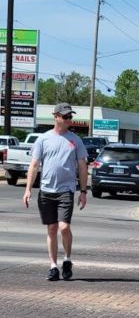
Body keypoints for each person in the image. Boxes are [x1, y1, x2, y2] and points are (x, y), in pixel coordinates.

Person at [22, 102, 89, 281]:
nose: (69, 120)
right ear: (56, 116)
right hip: (46, 190)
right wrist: (28, 189)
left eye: (70, 117)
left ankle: (67, 260)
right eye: (66, 116)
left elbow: (82, 166)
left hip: (66, 190)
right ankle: (53, 266)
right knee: (51, 229)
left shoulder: (75, 140)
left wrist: (83, 191)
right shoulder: (43, 139)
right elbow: (34, 165)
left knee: (64, 227)